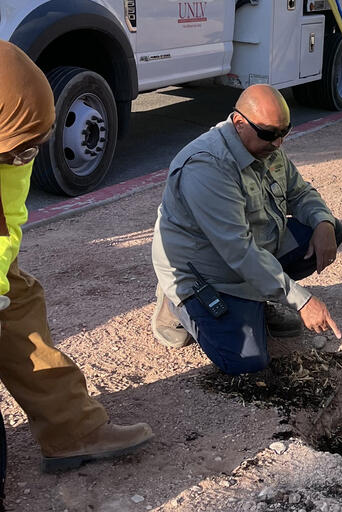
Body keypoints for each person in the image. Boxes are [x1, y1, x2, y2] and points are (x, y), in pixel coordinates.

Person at [0, 40, 153, 473]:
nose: (21, 161)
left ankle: (72, 431)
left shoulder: (13, 131)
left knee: (18, 299)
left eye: (30, 148)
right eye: (16, 150)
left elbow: (5, 222)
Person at [151, 85, 342, 375]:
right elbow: (238, 250)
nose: (278, 143)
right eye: (269, 134)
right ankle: (174, 301)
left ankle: (255, 299)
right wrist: (302, 301)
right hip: (207, 272)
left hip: (249, 255)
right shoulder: (207, 166)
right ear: (239, 123)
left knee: (325, 231)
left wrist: (324, 222)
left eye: (285, 131)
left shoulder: (267, 145)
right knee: (247, 363)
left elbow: (301, 193)